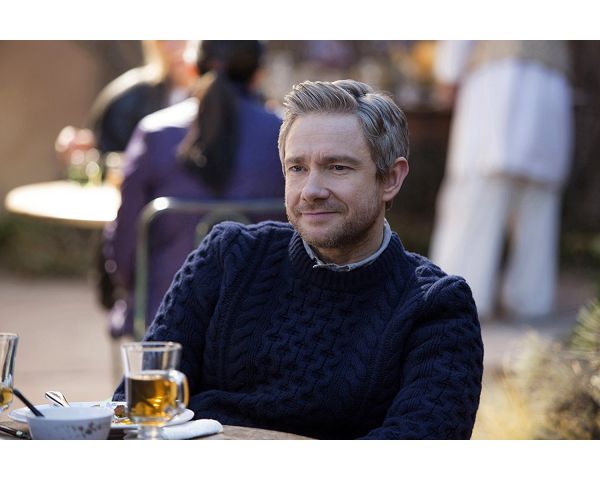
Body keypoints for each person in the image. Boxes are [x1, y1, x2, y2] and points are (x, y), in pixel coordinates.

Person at [114, 79, 484, 440]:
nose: (311, 190)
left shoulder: (436, 306)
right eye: (298, 168)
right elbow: (136, 407)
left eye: (338, 167)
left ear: (390, 179)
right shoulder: (228, 256)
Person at [102, 40, 285, 342]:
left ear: (192, 69)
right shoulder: (287, 134)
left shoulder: (154, 132)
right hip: (265, 321)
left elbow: (125, 246)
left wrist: (136, 294)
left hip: (165, 321)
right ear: (258, 74)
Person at [429, 41, 574, 320]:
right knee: (537, 203)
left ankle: (457, 297)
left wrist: (448, 73)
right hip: (550, 85)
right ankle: (531, 300)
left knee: (478, 196)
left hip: (497, 85)